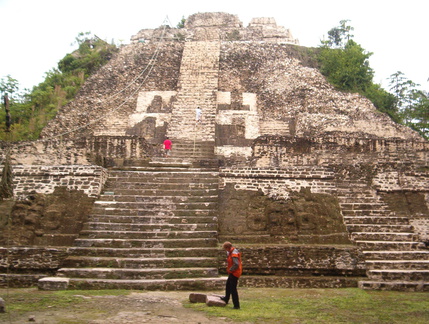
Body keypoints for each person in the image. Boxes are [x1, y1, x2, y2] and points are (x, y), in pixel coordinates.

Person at [220, 241, 242, 309]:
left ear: (227, 248)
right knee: (228, 285)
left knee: (233, 289)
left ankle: (236, 305)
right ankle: (226, 298)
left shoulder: (233, 254)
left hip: (235, 273)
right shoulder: (230, 252)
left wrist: (230, 270)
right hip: (232, 272)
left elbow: (236, 264)